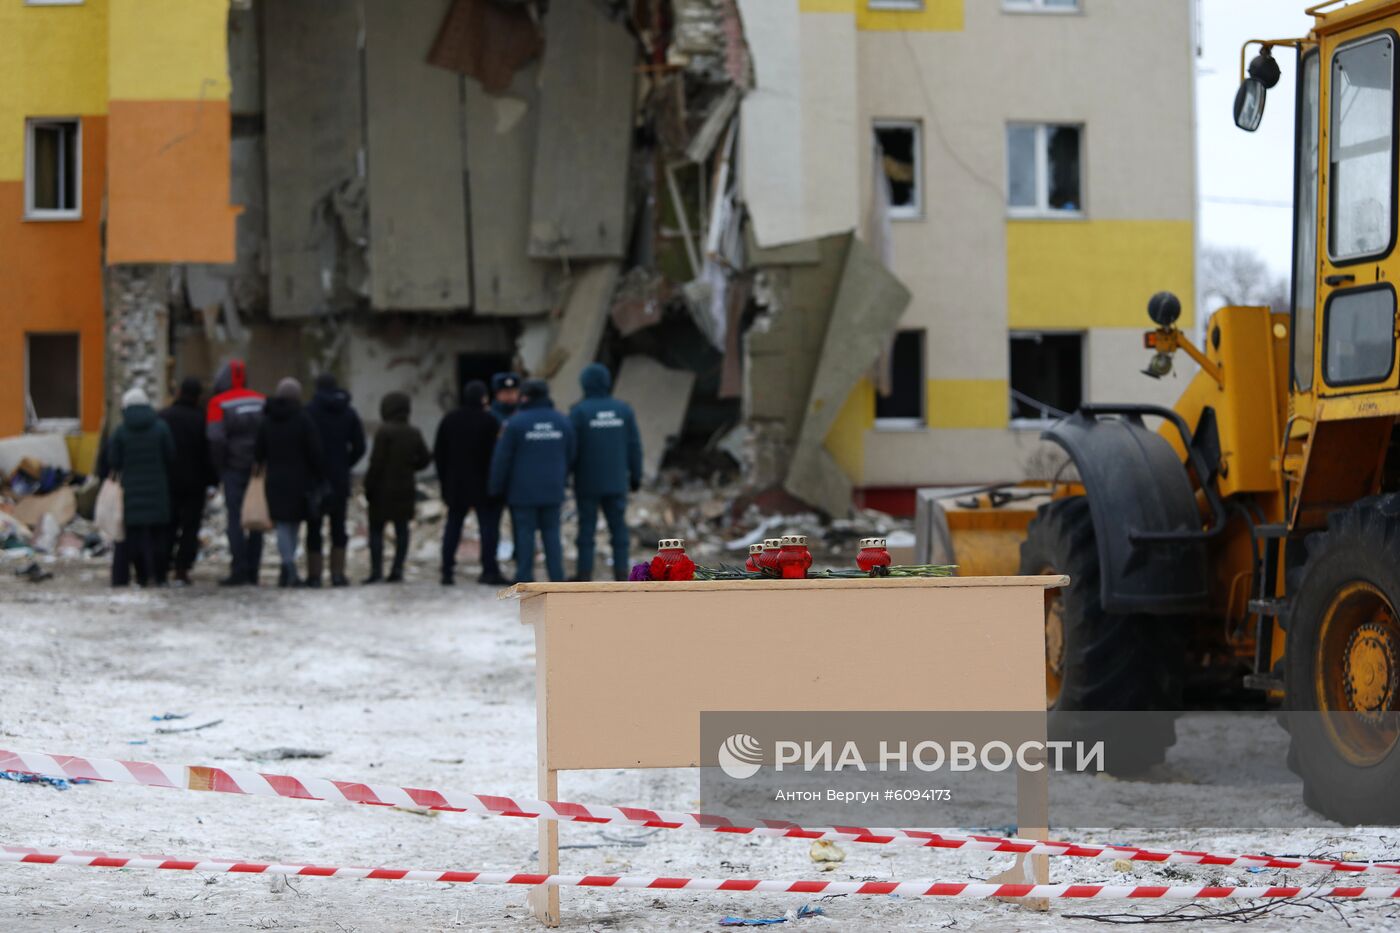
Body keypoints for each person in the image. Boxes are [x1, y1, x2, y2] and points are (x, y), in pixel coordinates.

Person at [488, 379, 575, 583]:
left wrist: (496, 487)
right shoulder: (562, 421)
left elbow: (502, 458)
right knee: (552, 533)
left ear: (525, 397)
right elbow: (571, 453)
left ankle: (524, 577)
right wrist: (561, 476)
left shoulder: (516, 423)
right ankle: (557, 577)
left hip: (522, 490)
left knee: (524, 534)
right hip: (552, 488)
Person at [569, 363, 643, 581]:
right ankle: (621, 574)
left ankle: (584, 575)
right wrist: (636, 476)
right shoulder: (623, 410)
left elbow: (571, 449)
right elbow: (634, 446)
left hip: (587, 482)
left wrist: (565, 475)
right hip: (616, 481)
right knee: (619, 529)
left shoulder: (579, 411)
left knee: (586, 530)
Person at [255, 378, 326, 588]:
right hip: (299, 481)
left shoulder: (267, 419)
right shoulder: (303, 420)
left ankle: (287, 567)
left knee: (283, 525)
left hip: (275, 481)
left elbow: (258, 452)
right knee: (293, 525)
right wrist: (319, 477)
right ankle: (290, 568)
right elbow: (315, 452)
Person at [433, 381, 504, 586]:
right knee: (488, 529)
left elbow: (439, 454)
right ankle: (489, 570)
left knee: (453, 527)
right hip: (484, 485)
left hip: (456, 485)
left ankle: (447, 571)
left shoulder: (450, 419)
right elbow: (497, 456)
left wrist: (444, 483)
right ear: (483, 398)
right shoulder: (490, 421)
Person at [207, 359, 266, 586]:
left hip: (233, 468)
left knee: (235, 519)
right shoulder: (260, 400)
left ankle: (239, 568)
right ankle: (254, 569)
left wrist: (220, 466)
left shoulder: (218, 403)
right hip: (257, 469)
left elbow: (215, 438)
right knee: (257, 517)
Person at [108, 386, 175, 587]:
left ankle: (142, 576)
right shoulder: (161, 428)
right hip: (158, 490)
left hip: (131, 491)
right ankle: (160, 576)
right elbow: (171, 456)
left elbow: (113, 461)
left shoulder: (121, 431)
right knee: (158, 536)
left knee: (135, 536)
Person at [305, 373, 366, 587]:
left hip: (315, 477)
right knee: (338, 526)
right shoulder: (348, 412)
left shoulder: (309, 411)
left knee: (314, 527)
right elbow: (360, 446)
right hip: (339, 477)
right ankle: (337, 574)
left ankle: (314, 576)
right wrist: (345, 463)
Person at [364, 392, 431, 583]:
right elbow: (425, 459)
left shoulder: (384, 432)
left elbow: (376, 463)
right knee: (402, 530)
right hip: (405, 488)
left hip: (381, 490)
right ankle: (397, 569)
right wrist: (410, 467)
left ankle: (376, 571)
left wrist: (368, 486)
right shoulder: (413, 432)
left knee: (376, 530)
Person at [160, 376, 215, 586]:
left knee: (169, 523)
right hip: (195, 481)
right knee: (190, 527)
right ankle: (182, 569)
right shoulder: (202, 418)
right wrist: (212, 479)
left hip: (169, 480)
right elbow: (208, 452)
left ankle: (163, 563)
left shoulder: (164, 417)